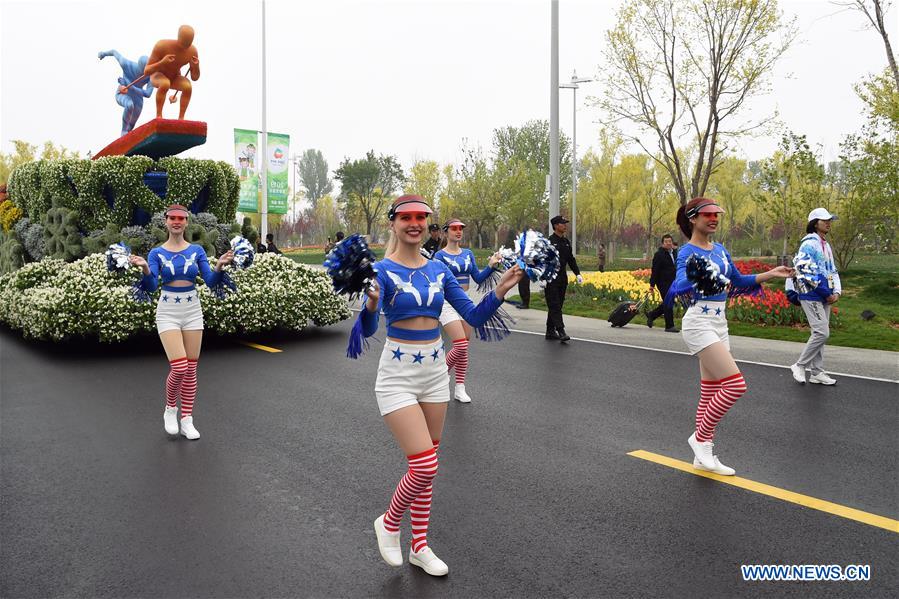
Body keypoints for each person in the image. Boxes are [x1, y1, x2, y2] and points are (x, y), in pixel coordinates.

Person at [355, 195, 522, 576]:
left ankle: (420, 546)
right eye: (406, 217)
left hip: (434, 375)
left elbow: (472, 316)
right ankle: (389, 521)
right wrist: (369, 306)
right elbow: (365, 331)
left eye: (421, 217)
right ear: (394, 223)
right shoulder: (379, 270)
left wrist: (501, 290)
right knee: (425, 465)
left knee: (429, 463)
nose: (414, 223)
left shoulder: (438, 271)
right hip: (396, 376)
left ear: (429, 224)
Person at [668, 198, 792, 475]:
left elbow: (738, 281)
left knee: (710, 391)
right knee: (735, 385)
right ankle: (700, 438)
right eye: (707, 215)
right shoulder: (687, 252)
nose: (714, 218)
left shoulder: (721, 250)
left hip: (719, 323)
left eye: (716, 214)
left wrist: (770, 274)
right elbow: (679, 284)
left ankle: (703, 456)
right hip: (699, 322)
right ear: (693, 219)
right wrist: (699, 274)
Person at [130, 204, 234, 440]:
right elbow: (151, 287)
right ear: (165, 221)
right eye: (172, 218)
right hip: (167, 311)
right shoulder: (156, 253)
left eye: (181, 218)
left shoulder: (196, 251)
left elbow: (209, 281)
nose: (176, 222)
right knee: (180, 366)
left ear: (187, 222)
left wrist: (219, 266)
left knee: (192, 368)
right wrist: (146, 268)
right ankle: (170, 408)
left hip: (192, 310)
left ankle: (187, 418)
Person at [432, 219, 501, 403]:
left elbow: (478, 279)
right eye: (454, 228)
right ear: (446, 232)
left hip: (465, 302)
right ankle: (440, 376)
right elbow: (436, 283)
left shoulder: (468, 254)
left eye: (461, 228)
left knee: (463, 348)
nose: (458, 231)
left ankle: (459, 387)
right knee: (460, 344)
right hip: (447, 303)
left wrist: (491, 265)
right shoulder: (439, 257)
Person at [788, 208, 841, 385]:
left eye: (829, 220)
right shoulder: (809, 244)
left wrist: (836, 292)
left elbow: (832, 270)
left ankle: (817, 372)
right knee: (822, 332)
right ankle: (800, 365)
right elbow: (806, 272)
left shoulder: (825, 244)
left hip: (824, 295)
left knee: (819, 333)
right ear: (814, 223)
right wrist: (827, 294)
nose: (828, 222)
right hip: (810, 295)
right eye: (824, 219)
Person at [143, 25, 200, 119]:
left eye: (188, 43)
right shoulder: (162, 45)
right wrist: (162, 62)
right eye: (184, 42)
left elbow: (194, 77)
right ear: (179, 38)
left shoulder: (192, 51)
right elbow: (147, 71)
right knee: (165, 83)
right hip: (157, 75)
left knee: (187, 86)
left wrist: (196, 66)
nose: (185, 47)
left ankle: (181, 118)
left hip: (175, 77)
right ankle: (159, 115)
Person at [98, 49, 154, 137]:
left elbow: (148, 93)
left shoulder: (151, 75)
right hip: (122, 93)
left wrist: (132, 87)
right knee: (129, 105)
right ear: (140, 67)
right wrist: (103, 53)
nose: (145, 74)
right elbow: (114, 52)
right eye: (143, 71)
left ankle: (127, 136)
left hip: (138, 99)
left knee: (131, 124)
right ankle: (123, 130)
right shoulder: (127, 65)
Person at [546, 215, 582, 342]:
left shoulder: (566, 242)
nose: (565, 225)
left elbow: (570, 259)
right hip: (551, 279)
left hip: (562, 278)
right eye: (562, 223)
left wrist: (577, 273)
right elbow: (542, 261)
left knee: (557, 305)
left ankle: (550, 331)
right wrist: (542, 278)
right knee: (554, 305)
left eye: (565, 223)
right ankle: (560, 331)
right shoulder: (549, 242)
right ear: (556, 226)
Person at [646, 234, 679, 332]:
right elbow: (655, 270)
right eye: (666, 242)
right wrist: (652, 285)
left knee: (669, 302)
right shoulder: (659, 255)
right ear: (662, 243)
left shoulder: (674, 253)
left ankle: (652, 315)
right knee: (668, 302)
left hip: (673, 282)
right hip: (663, 282)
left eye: (670, 241)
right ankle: (669, 326)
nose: (668, 243)